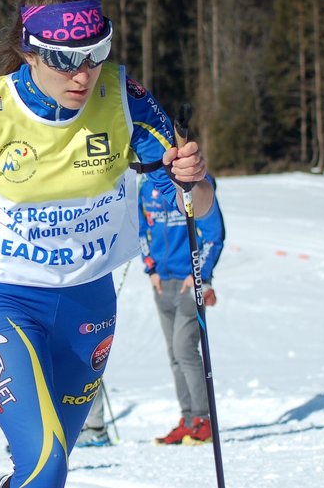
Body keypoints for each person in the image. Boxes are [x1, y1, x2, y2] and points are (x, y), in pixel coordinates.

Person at [0, 0, 213, 488]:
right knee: (45, 464)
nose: (83, 74)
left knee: (48, 471)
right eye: (64, 59)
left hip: (88, 307)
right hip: (1, 302)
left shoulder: (124, 99)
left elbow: (196, 200)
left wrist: (194, 178)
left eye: (96, 52)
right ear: (29, 51)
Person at [139, 176, 225, 445]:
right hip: (162, 283)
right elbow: (142, 229)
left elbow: (213, 235)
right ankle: (187, 419)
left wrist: (200, 273)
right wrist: (150, 268)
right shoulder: (147, 185)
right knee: (174, 355)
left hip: (189, 282)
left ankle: (203, 419)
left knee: (184, 349)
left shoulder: (194, 181)